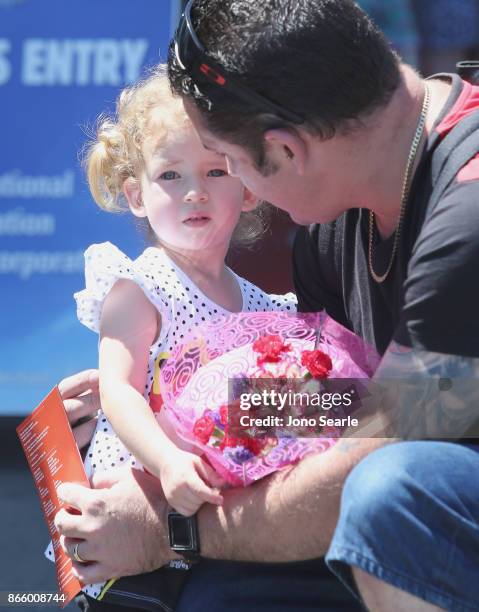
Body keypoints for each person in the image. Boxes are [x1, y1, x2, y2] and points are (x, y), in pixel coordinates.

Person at [55, 1, 479, 610]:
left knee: (392, 492)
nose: (239, 191)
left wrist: (171, 530)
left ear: (283, 150)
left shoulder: (466, 218)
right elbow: (323, 411)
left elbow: (376, 453)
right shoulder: (331, 225)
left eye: (227, 166)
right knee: (213, 595)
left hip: (419, 503)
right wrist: (168, 415)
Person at [49, 66, 296, 610]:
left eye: (214, 172)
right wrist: (167, 462)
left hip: (210, 514)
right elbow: (119, 391)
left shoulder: (262, 303)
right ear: (136, 195)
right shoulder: (140, 288)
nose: (193, 193)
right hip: (135, 499)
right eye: (170, 176)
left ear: (248, 188)